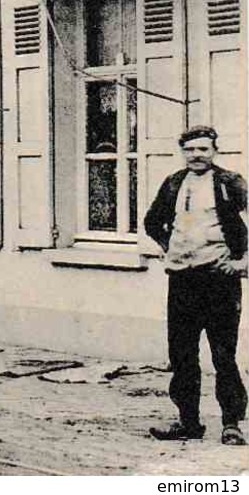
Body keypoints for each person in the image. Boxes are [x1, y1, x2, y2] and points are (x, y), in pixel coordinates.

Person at [144, 124, 248, 445]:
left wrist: (242, 262)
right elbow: (152, 221)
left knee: (223, 354)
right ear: (183, 152)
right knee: (183, 354)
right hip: (182, 281)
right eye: (190, 149)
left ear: (215, 151)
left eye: (203, 149)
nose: (196, 155)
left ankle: (231, 424)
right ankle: (188, 422)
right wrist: (170, 247)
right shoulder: (174, 183)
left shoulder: (230, 183)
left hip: (219, 281)